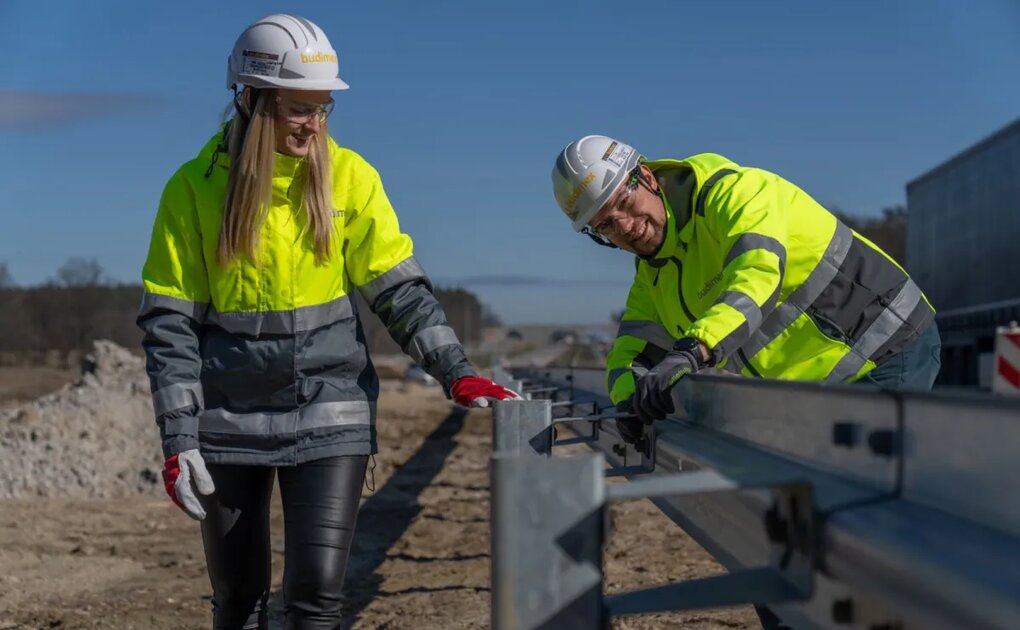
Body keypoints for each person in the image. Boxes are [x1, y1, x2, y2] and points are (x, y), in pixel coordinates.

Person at [137, 14, 518, 629]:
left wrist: (457, 371)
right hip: (227, 420)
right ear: (250, 99)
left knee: (316, 596)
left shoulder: (351, 178)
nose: (314, 122)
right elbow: (169, 327)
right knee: (240, 600)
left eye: (322, 108)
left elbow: (402, 295)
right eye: (298, 107)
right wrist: (180, 440)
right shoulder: (191, 192)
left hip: (329, 411)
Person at [551, 135, 940, 437]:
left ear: (647, 177)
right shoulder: (654, 274)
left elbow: (756, 274)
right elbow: (630, 353)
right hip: (818, 387)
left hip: (886, 346)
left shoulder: (737, 193)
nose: (623, 225)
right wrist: (629, 400)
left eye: (623, 200)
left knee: (873, 507)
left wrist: (692, 350)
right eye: (604, 224)